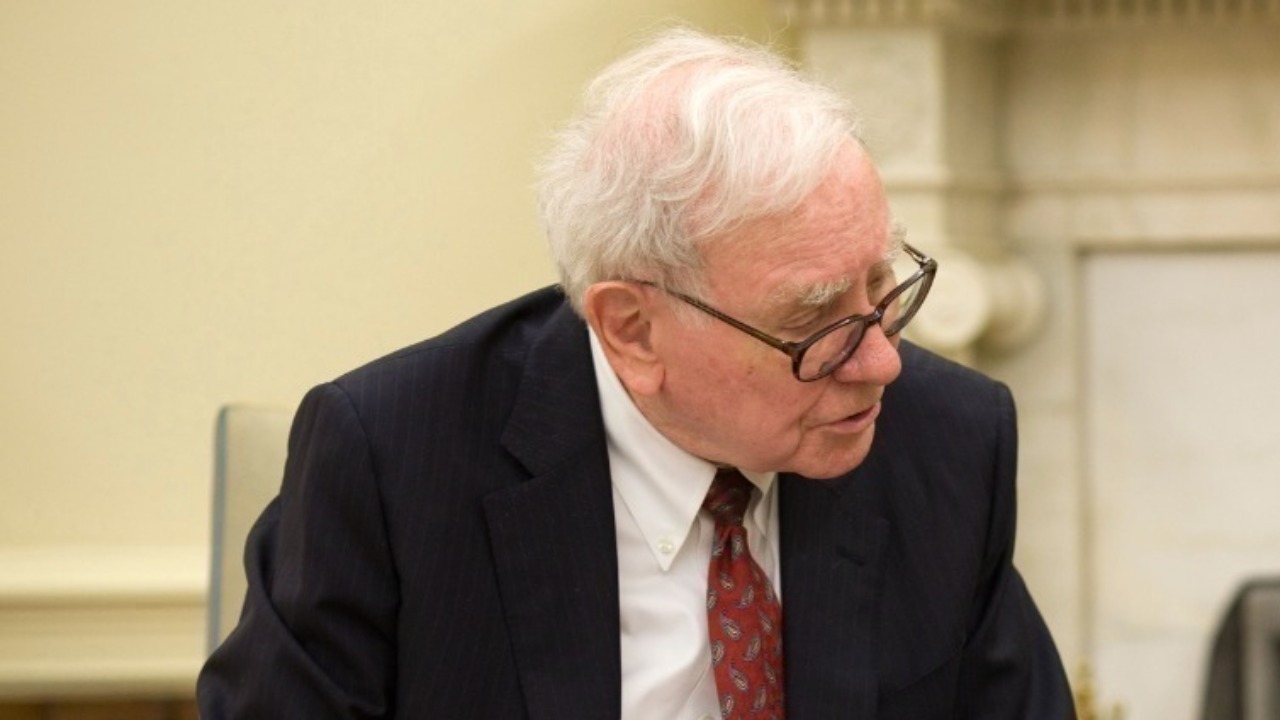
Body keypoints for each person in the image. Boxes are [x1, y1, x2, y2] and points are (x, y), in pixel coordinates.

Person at [197, 27, 1072, 719]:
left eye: (882, 285)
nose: (882, 360)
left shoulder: (950, 440)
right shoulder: (392, 465)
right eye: (812, 322)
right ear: (632, 329)